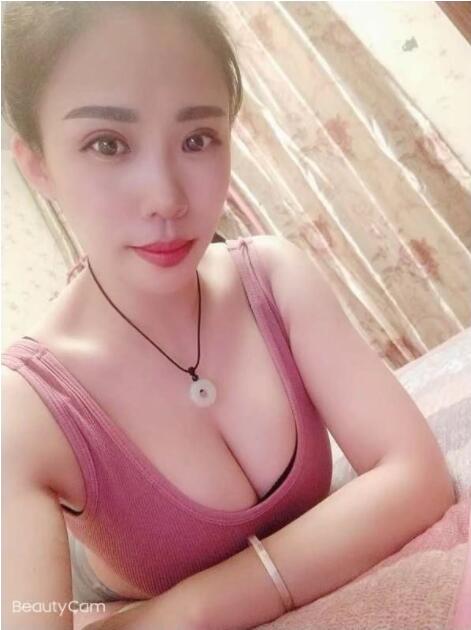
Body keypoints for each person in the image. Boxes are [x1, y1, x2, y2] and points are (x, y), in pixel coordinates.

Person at [1, 2, 335, 628]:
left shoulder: (273, 276)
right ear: (39, 164)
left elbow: (417, 477)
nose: (166, 198)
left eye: (197, 139)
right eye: (107, 144)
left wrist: (190, 609)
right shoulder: (25, 408)